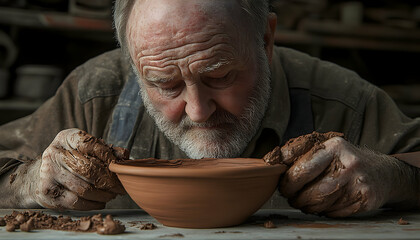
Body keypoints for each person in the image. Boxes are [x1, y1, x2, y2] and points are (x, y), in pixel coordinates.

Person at [0, 0, 419, 217]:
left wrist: (393, 176)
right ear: (130, 57)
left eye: (219, 76)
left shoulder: (342, 98)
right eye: (164, 84)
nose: (198, 111)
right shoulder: (96, 93)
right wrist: (28, 183)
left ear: (266, 41)